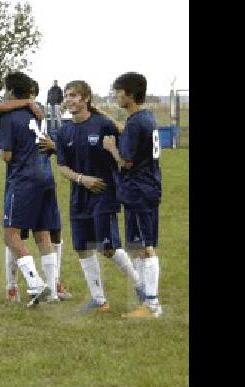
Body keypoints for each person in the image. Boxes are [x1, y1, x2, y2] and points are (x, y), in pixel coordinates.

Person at [44, 80, 145, 313]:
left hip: (104, 194)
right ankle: (99, 300)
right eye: (67, 96)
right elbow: (62, 167)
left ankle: (141, 287)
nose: (68, 100)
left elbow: (128, 135)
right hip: (79, 196)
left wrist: (106, 118)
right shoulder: (64, 131)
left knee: (107, 247)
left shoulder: (102, 125)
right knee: (82, 248)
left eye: (73, 96)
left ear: (85, 98)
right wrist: (82, 179)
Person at [0, 79, 71, 304]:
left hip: (24, 178)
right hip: (46, 176)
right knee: (42, 232)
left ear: (11, 91)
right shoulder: (38, 113)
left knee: (11, 234)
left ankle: (34, 283)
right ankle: (53, 291)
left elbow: (6, 155)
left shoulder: (9, 117)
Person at [102, 72, 163, 318]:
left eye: (118, 92)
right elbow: (126, 130)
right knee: (137, 245)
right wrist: (102, 114)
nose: (116, 96)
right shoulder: (144, 118)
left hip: (139, 190)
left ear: (129, 93)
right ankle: (145, 300)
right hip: (145, 188)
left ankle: (152, 303)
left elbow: (126, 162)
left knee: (145, 246)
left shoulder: (137, 122)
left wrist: (111, 148)